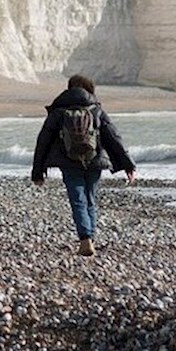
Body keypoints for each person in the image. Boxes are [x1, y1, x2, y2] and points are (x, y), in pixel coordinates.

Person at [30, 74, 136, 256]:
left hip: (69, 161)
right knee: (90, 199)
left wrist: (38, 170)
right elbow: (113, 137)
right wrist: (128, 165)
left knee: (77, 199)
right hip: (94, 160)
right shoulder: (96, 110)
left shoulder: (58, 111)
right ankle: (90, 237)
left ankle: (85, 238)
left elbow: (43, 140)